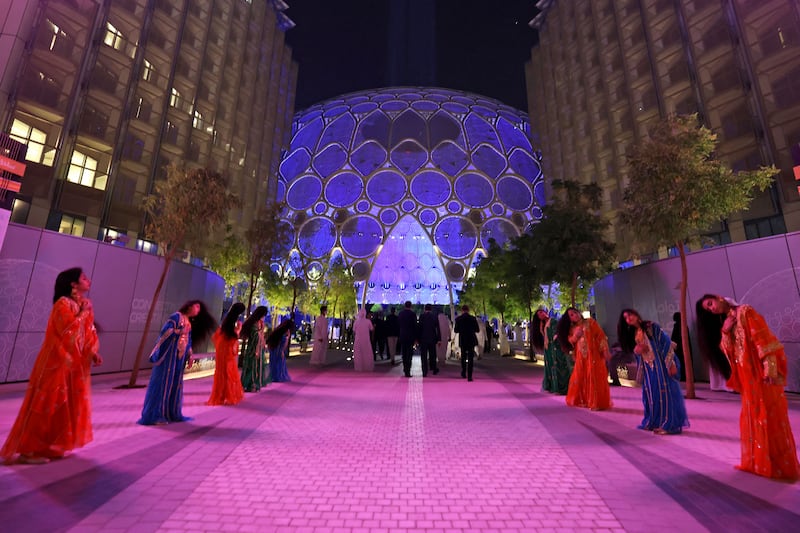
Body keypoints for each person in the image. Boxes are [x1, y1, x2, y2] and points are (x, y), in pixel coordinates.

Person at [1, 268, 101, 464]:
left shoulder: (84, 304)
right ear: (73, 284)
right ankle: (28, 450)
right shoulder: (62, 304)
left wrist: (92, 353)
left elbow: (88, 332)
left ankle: (50, 447)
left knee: (63, 406)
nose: (88, 280)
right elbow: (67, 332)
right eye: (83, 278)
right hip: (55, 363)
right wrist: (82, 314)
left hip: (73, 365)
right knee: (46, 404)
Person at [696, 294, 799, 481]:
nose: (712, 309)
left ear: (719, 297)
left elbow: (763, 339)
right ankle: (759, 463)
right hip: (747, 377)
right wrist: (726, 332)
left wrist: (770, 368)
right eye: (708, 309)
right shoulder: (727, 321)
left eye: (710, 304)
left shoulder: (745, 312)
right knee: (754, 416)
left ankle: (777, 464)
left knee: (769, 415)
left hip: (760, 374)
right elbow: (728, 350)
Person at [139, 300, 216, 425]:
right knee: (164, 383)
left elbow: (188, 340)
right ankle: (156, 415)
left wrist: (190, 355)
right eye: (197, 307)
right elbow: (165, 333)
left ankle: (171, 412)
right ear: (190, 306)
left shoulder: (188, 322)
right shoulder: (176, 317)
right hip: (169, 357)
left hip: (178, 359)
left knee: (175, 384)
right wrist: (179, 332)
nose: (198, 311)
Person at [618, 309, 689, 435]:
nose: (628, 318)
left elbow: (665, 343)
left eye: (630, 315)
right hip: (648, 368)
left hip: (661, 366)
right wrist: (637, 351)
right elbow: (638, 350)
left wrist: (670, 363)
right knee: (651, 395)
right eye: (625, 318)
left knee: (665, 393)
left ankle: (668, 425)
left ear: (636, 314)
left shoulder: (651, 327)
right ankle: (653, 422)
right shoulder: (634, 333)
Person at [557, 307, 612, 411]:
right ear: (570, 319)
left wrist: (605, 350)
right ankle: (584, 400)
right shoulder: (572, 329)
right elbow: (570, 342)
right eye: (571, 315)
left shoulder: (590, 322)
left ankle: (596, 402)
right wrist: (575, 336)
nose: (575, 315)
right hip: (581, 357)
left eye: (575, 312)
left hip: (594, 355)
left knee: (594, 376)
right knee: (581, 376)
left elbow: (601, 336)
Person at [207, 303, 246, 406]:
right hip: (227, 349)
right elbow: (233, 336)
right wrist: (239, 330)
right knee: (229, 371)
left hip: (222, 347)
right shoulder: (233, 321)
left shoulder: (227, 319)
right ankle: (227, 395)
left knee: (223, 371)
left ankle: (222, 394)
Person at [532, 309, 571, 395]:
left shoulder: (553, 321)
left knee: (559, 366)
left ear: (545, 312)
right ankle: (552, 387)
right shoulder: (541, 325)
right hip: (548, 349)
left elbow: (557, 333)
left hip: (556, 348)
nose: (541, 315)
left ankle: (561, 388)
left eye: (542, 312)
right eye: (539, 314)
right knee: (550, 366)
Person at [240, 306, 269, 392]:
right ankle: (249, 385)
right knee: (251, 367)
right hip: (253, 348)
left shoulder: (260, 323)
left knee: (259, 366)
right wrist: (256, 349)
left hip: (260, 348)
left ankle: (256, 383)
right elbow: (255, 337)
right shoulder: (253, 324)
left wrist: (263, 344)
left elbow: (261, 336)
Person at [454, 304, 480, 382]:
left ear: (462, 310)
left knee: (463, 356)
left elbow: (456, 330)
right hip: (471, 340)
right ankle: (470, 376)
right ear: (468, 310)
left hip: (463, 339)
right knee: (471, 358)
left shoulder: (458, 319)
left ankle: (463, 372)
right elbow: (477, 329)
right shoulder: (472, 318)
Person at [418, 304, 440, 376]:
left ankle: (424, 371)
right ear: (431, 309)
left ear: (425, 309)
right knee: (433, 355)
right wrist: (439, 339)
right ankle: (433, 368)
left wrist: (418, 338)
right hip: (432, 338)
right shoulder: (434, 316)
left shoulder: (422, 316)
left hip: (423, 338)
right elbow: (437, 328)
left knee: (423, 356)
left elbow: (419, 328)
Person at [398, 301, 418, 377]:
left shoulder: (401, 314)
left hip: (402, 335)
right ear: (411, 306)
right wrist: (416, 337)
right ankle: (408, 370)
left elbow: (398, 324)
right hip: (410, 337)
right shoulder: (413, 314)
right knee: (409, 354)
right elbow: (415, 326)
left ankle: (405, 367)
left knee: (404, 353)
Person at [670, 312, 687, 382]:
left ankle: (682, 376)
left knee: (679, 362)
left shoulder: (677, 326)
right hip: (683, 348)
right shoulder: (684, 325)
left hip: (678, 349)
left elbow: (674, 338)